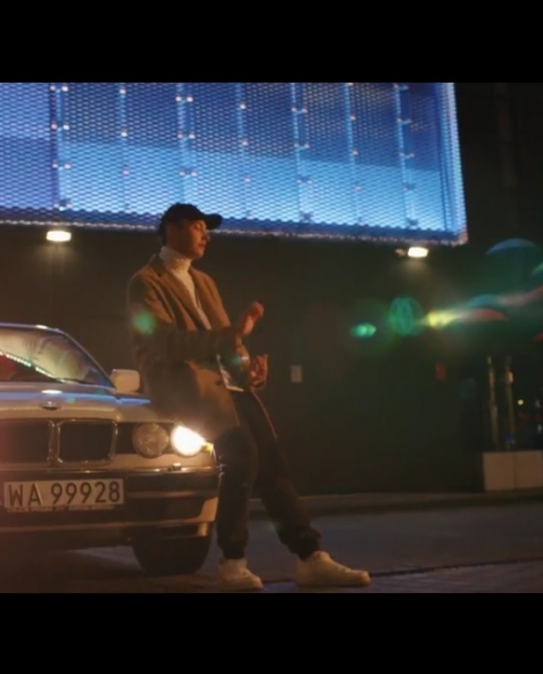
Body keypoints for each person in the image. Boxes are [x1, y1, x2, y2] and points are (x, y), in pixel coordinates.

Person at [125, 203, 371, 591]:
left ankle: (310, 557)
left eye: (207, 229)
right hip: (188, 390)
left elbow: (228, 343)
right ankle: (232, 561)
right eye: (198, 226)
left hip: (228, 388)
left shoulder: (204, 281)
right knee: (242, 457)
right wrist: (232, 335)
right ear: (172, 229)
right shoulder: (145, 283)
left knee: (271, 463)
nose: (206, 235)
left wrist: (247, 370)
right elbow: (166, 344)